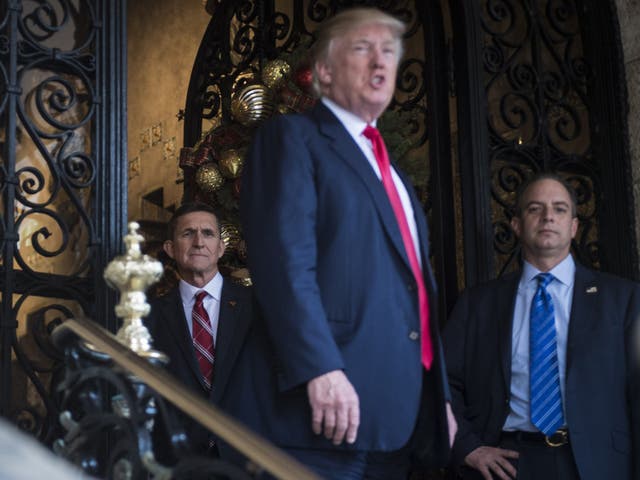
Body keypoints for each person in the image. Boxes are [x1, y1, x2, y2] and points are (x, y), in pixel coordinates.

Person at [229, 7, 456, 479]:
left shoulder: (394, 175)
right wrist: (319, 368)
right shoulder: (292, 138)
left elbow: (411, 293)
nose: (380, 63)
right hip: (315, 421)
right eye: (363, 48)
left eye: (390, 52)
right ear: (325, 72)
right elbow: (284, 262)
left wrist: (438, 400)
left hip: (395, 425)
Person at [443, 173, 640, 480]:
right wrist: (467, 447)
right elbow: (443, 381)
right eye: (535, 208)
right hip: (506, 463)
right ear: (517, 225)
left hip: (598, 464)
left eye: (560, 209)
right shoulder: (477, 304)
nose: (548, 216)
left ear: (574, 227)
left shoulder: (624, 299)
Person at [144, 202, 253, 461]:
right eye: (187, 233)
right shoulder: (150, 315)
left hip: (248, 455)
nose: (198, 242)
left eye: (208, 233)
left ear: (221, 248)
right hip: (178, 459)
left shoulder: (255, 307)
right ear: (170, 249)